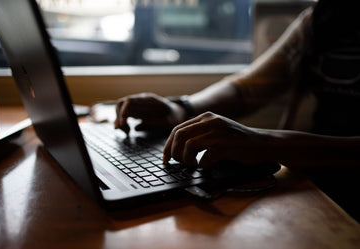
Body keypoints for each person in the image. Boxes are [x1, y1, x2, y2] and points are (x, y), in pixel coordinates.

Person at [113, 0, 360, 220]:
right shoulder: (320, 18)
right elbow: (248, 88)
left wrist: (266, 144)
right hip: (309, 186)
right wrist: (181, 108)